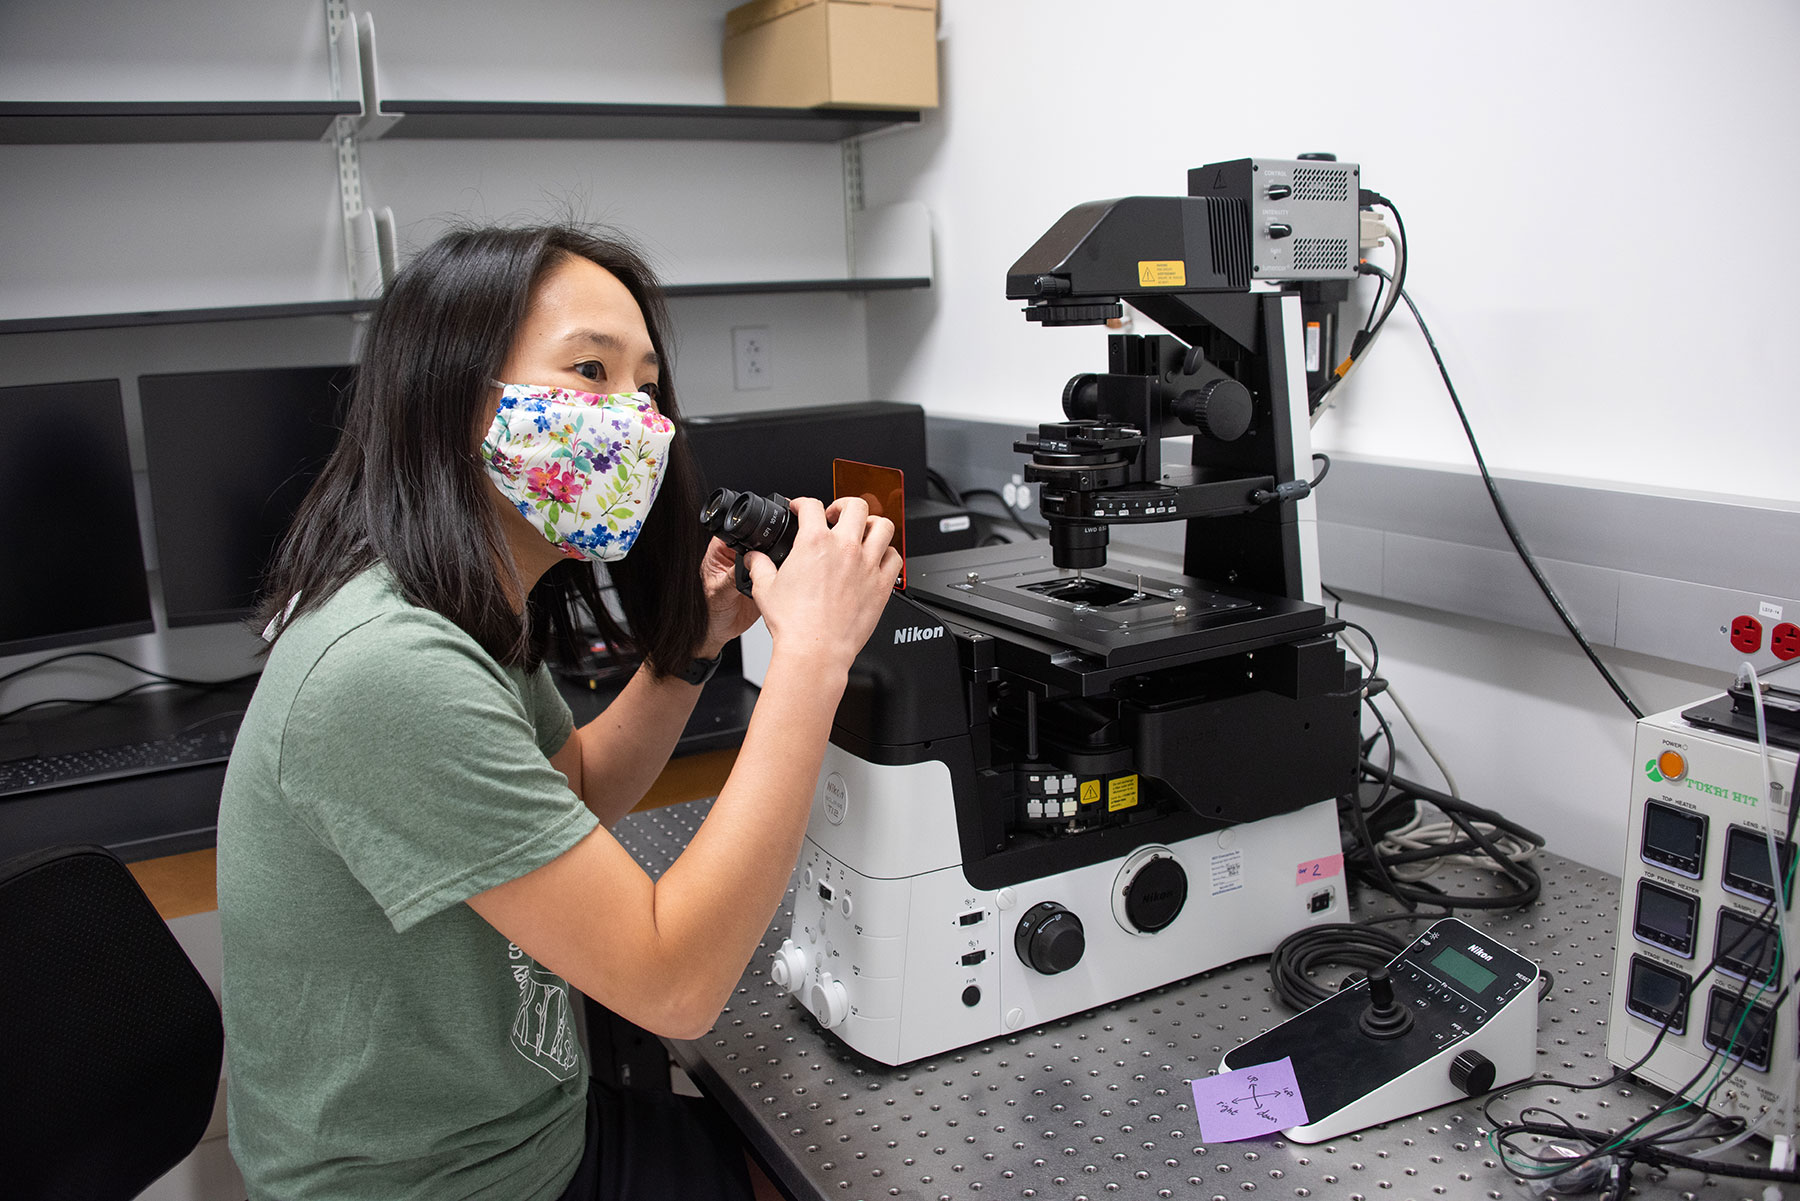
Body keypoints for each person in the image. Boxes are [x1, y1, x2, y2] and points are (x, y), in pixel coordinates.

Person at [216, 223, 901, 1201]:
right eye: (590, 370)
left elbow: (572, 785)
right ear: (454, 400)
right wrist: (814, 656)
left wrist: (697, 645)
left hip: (527, 1136)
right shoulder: (389, 667)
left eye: (647, 385)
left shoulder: (459, 608)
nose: (635, 420)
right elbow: (677, 982)